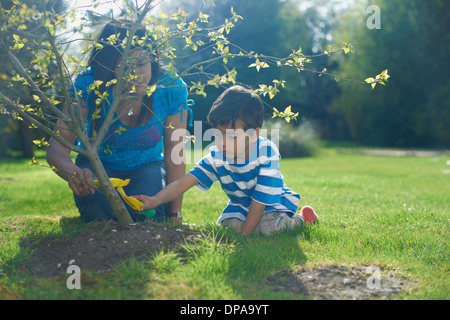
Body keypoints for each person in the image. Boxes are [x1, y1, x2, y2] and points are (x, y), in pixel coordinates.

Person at [46, 19, 191, 224]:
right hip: (98, 166)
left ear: (152, 59)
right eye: (126, 66)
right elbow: (56, 150)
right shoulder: (88, 87)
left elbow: (175, 154)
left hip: (148, 166)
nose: (137, 74)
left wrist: (175, 214)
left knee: (148, 217)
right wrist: (75, 174)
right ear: (107, 68)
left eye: (142, 63)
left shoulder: (171, 88)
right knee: (99, 217)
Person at [133, 85, 318, 236]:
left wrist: (246, 231)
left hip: (270, 204)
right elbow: (184, 182)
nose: (222, 142)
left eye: (231, 137)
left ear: (254, 135)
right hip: (240, 206)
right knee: (228, 229)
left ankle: (301, 220)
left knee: (267, 228)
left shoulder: (266, 152)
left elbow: (261, 198)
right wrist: (155, 200)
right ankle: (252, 225)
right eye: (217, 134)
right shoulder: (217, 156)